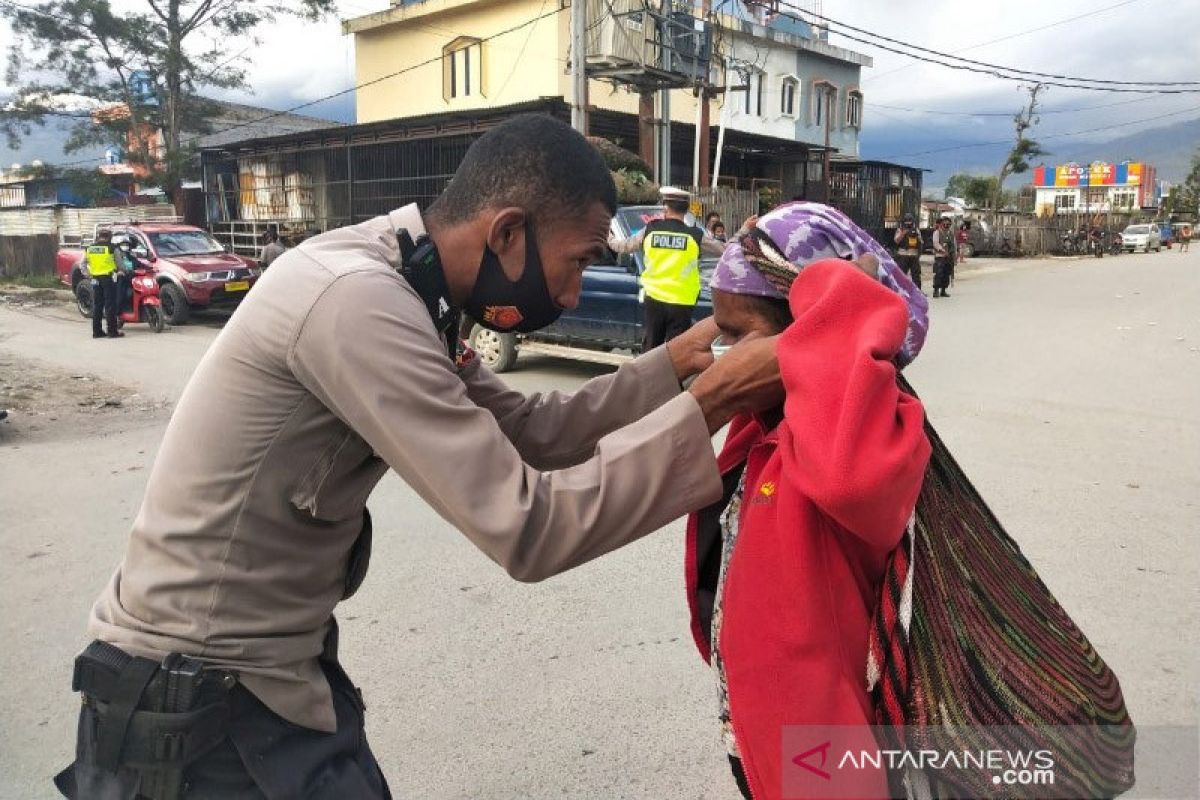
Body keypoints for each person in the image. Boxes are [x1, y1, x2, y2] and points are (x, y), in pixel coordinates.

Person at [54, 113, 783, 799]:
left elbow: (530, 431)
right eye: (578, 261)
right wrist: (712, 403)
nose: (570, 293)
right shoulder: (358, 301)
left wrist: (681, 363)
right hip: (199, 702)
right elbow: (531, 529)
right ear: (507, 233)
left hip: (265, 674)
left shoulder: (410, 287)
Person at [686, 202, 930, 800]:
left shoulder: (856, 435)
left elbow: (852, 483)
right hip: (759, 728)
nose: (723, 350)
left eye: (739, 334)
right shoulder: (763, 421)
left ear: (811, 331)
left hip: (825, 755)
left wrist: (842, 317)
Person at [609, 186, 755, 351]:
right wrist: (745, 228)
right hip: (682, 302)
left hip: (654, 299)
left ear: (665, 207)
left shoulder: (651, 229)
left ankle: (649, 376)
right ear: (686, 210)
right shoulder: (695, 235)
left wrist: (607, 235)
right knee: (676, 352)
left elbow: (622, 246)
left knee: (650, 349)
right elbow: (726, 249)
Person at [85, 229, 122, 338]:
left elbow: (83, 263)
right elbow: (119, 263)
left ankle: (97, 332)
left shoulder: (90, 248)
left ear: (99, 236)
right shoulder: (111, 248)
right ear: (109, 237)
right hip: (108, 278)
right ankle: (112, 331)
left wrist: (88, 274)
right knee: (110, 305)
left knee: (97, 305)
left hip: (95, 279)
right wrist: (123, 271)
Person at [892, 213, 923, 290]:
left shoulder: (916, 230)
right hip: (903, 255)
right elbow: (896, 241)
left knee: (916, 275)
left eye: (910, 221)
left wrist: (916, 236)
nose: (908, 223)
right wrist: (903, 233)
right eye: (907, 221)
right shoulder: (900, 230)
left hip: (914, 255)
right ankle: (900, 290)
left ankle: (918, 291)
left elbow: (921, 242)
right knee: (901, 275)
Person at [931, 217, 954, 297]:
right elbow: (935, 243)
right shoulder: (937, 232)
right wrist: (943, 250)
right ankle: (936, 290)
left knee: (946, 274)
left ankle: (943, 290)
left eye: (948, 224)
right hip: (940, 256)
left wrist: (954, 255)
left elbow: (954, 245)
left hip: (948, 257)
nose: (947, 225)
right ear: (942, 224)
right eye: (945, 223)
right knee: (938, 273)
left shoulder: (950, 233)